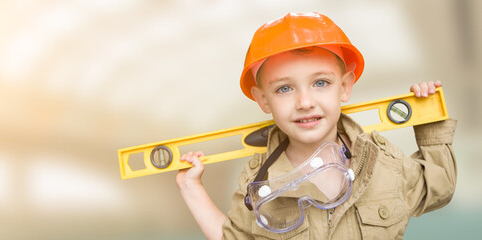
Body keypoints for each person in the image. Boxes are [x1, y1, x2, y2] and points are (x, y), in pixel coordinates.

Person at [176, 12, 457, 239]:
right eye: (285, 89)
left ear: (344, 87)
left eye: (320, 83)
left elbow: (438, 187)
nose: (305, 101)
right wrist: (192, 188)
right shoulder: (259, 185)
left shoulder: (381, 162)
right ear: (263, 101)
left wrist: (429, 121)